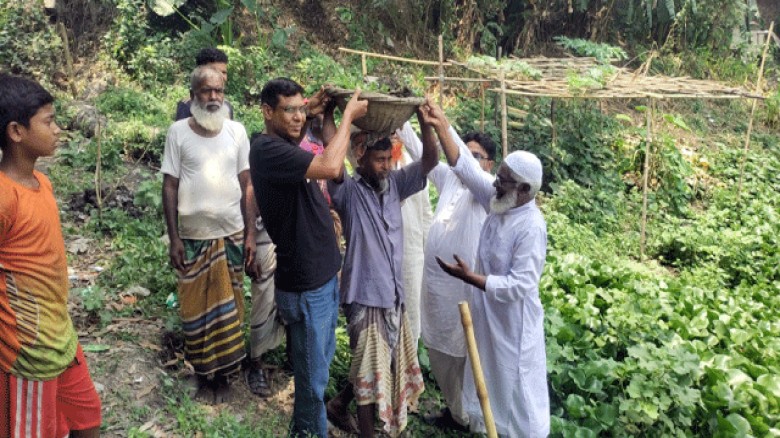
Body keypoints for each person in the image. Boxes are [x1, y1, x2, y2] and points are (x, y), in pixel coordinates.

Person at [249, 77, 367, 437]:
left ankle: (306, 429)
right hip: (305, 286)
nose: (299, 118)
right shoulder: (267, 150)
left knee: (319, 370)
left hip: (323, 277)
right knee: (313, 383)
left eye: (302, 109)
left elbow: (307, 140)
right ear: (267, 112)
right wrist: (347, 118)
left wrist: (318, 111)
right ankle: (307, 433)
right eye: (290, 111)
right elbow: (332, 168)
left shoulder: (285, 145)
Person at [428, 104, 549, 436]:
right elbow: (466, 168)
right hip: (487, 319)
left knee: (516, 393)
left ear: (525, 190)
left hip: (513, 327)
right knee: (485, 387)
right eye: (498, 176)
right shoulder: (500, 198)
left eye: (505, 180)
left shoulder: (531, 227)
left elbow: (521, 285)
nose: (496, 183)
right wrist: (441, 123)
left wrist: (472, 279)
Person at [0, 74, 102, 437]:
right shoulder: (4, 197)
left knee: (87, 419)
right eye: (48, 121)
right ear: (16, 132)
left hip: (61, 337)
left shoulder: (42, 183)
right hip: (26, 350)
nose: (58, 130)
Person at [325, 118, 438, 437]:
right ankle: (367, 433)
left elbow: (430, 160)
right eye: (379, 160)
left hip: (393, 294)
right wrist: (332, 115)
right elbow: (332, 160)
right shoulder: (347, 191)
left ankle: (337, 405)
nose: (386, 165)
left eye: (389, 159)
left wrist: (424, 122)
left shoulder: (396, 185)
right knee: (368, 369)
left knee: (381, 361)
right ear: (360, 158)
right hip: (363, 294)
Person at [395, 117, 497, 431]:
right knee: (439, 352)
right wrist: (404, 116)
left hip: (466, 291)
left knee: (467, 356)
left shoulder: (488, 191)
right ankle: (456, 413)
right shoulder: (450, 178)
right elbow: (417, 147)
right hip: (437, 288)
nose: (467, 159)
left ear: (489, 164)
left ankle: (476, 419)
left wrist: (441, 120)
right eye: (464, 152)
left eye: (476, 156)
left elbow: (461, 163)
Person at [161, 65, 252, 404]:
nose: (213, 97)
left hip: (231, 235)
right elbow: (169, 185)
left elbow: (247, 185)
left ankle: (226, 377)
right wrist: (174, 238)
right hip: (193, 237)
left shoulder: (237, 132)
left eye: (218, 91)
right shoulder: (178, 132)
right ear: (193, 96)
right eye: (206, 91)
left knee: (231, 309)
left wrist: (252, 238)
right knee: (195, 309)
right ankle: (202, 376)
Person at [389, 133, 433, 345]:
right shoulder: (373, 164)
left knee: (410, 318)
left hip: (412, 254)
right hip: (382, 256)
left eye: (397, 131)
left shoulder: (415, 166)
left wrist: (427, 254)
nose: (394, 135)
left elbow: (426, 215)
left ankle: (408, 372)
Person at [175, 47, 234, 121]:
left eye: (224, 72)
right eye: (215, 72)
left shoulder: (227, 105)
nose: (221, 77)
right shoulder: (187, 105)